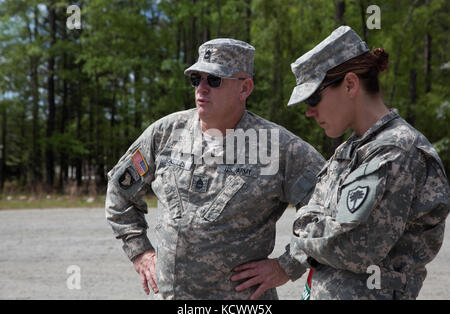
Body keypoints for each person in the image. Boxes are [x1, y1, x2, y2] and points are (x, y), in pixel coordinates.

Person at [105, 38, 325, 299]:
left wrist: (287, 265)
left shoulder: (276, 147)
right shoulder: (165, 133)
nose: (202, 88)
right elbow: (120, 190)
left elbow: (327, 205)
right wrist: (139, 251)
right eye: (196, 79)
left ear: (245, 88)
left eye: (214, 80)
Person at [287, 25, 450, 300]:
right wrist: (319, 227)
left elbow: (354, 247)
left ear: (350, 84)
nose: (308, 111)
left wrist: (302, 227)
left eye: (314, 97)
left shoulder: (397, 150)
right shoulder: (352, 148)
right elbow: (320, 219)